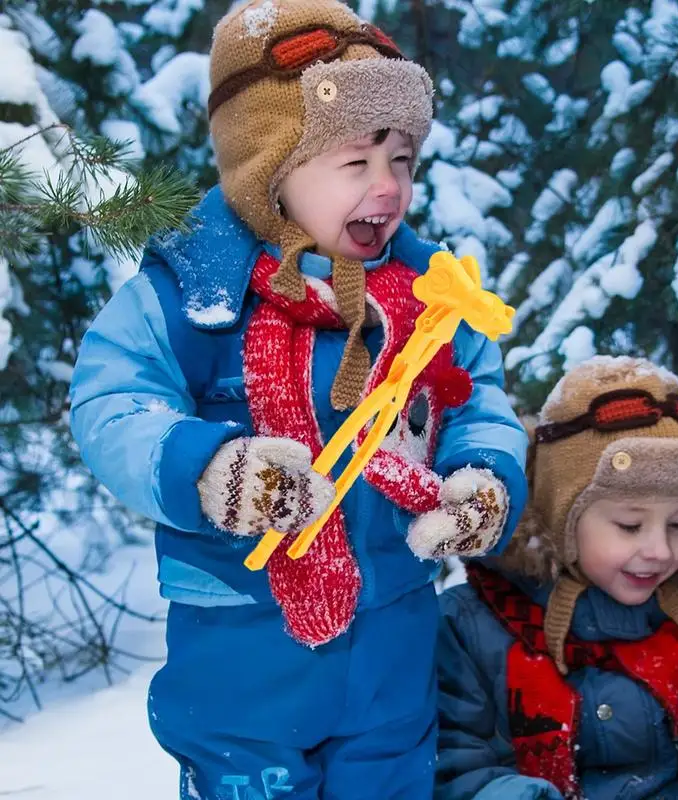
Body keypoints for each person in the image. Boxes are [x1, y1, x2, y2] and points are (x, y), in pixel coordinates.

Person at [68, 1, 527, 798]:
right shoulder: (190, 298)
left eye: (405, 160)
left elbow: (479, 398)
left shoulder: (428, 301)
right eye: (357, 161)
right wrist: (210, 467)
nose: (389, 186)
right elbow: (112, 403)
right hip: (242, 652)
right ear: (269, 170)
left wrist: (482, 476)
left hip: (393, 642)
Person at [436, 355, 678, 799]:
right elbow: (456, 764)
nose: (661, 550)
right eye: (630, 525)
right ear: (560, 516)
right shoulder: (474, 630)